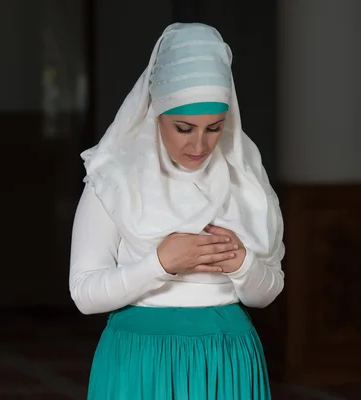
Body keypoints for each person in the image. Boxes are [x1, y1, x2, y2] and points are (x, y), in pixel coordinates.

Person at [69, 22, 285, 399]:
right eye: (184, 127)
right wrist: (161, 263)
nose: (199, 145)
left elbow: (267, 291)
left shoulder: (246, 181)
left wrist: (242, 263)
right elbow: (85, 294)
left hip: (226, 356)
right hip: (140, 357)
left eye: (214, 128)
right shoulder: (114, 179)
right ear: (157, 112)